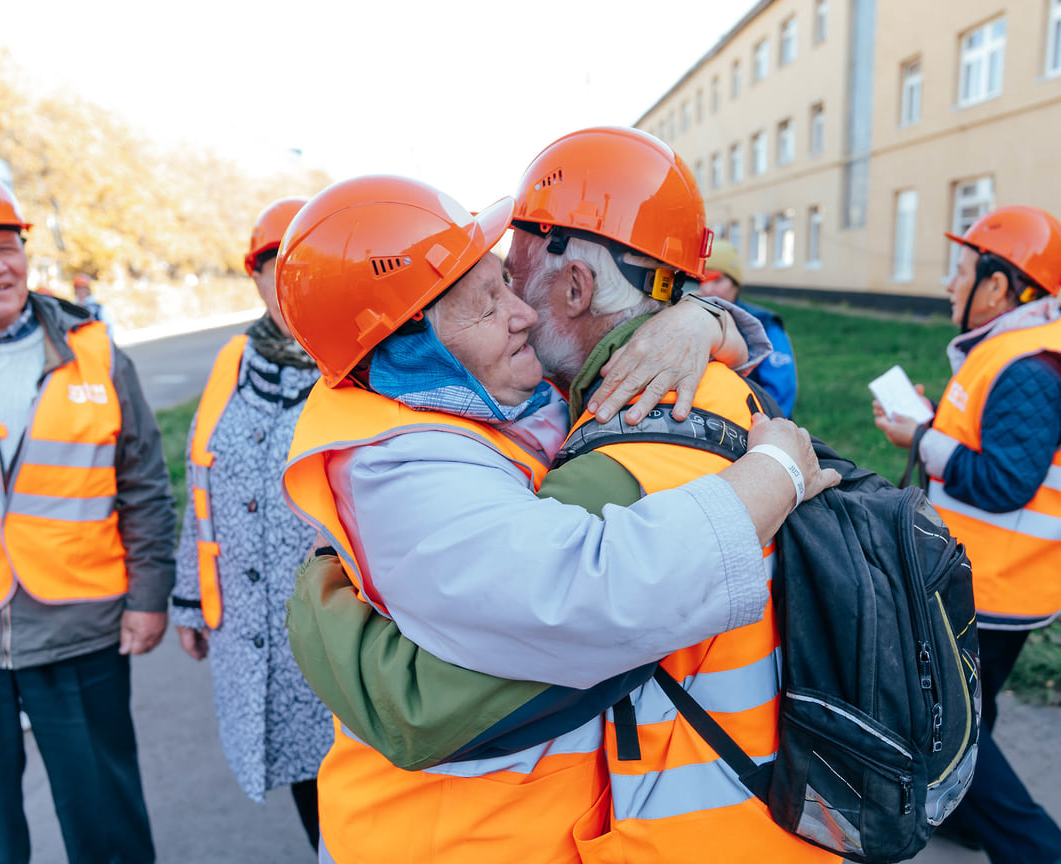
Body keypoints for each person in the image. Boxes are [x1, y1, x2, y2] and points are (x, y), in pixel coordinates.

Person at [282, 128, 844, 863]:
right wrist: (708, 331)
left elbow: (424, 704)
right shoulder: (420, 452)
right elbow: (564, 597)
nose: (518, 309)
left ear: (575, 287)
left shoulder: (625, 415)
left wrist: (320, 609)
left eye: (509, 280)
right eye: (488, 302)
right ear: (414, 344)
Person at [0, 165, 176, 863]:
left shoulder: (94, 353)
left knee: (107, 826)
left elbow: (142, 482)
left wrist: (149, 596)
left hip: (81, 624)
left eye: (8, 246)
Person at [873, 205, 1061, 864]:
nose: (950, 284)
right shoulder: (1013, 349)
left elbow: (1002, 482)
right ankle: (969, 817)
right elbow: (991, 439)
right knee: (970, 710)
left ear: (998, 287)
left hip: (997, 584)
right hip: (996, 576)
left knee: (948, 720)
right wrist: (933, 419)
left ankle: (1045, 854)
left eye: (962, 270)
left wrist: (919, 437)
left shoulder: (1031, 367)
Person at [168, 197, 331, 851]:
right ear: (254, 275)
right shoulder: (233, 363)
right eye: (273, 266)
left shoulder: (367, 362)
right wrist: (189, 597)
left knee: (363, 786)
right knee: (305, 782)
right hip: (251, 628)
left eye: (305, 265)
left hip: (342, 630)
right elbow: (201, 479)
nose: (288, 280)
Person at [697, 237, 798, 416]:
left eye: (717, 280)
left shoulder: (764, 325)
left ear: (735, 284)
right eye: (702, 280)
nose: (707, 289)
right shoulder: (693, 320)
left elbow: (781, 392)